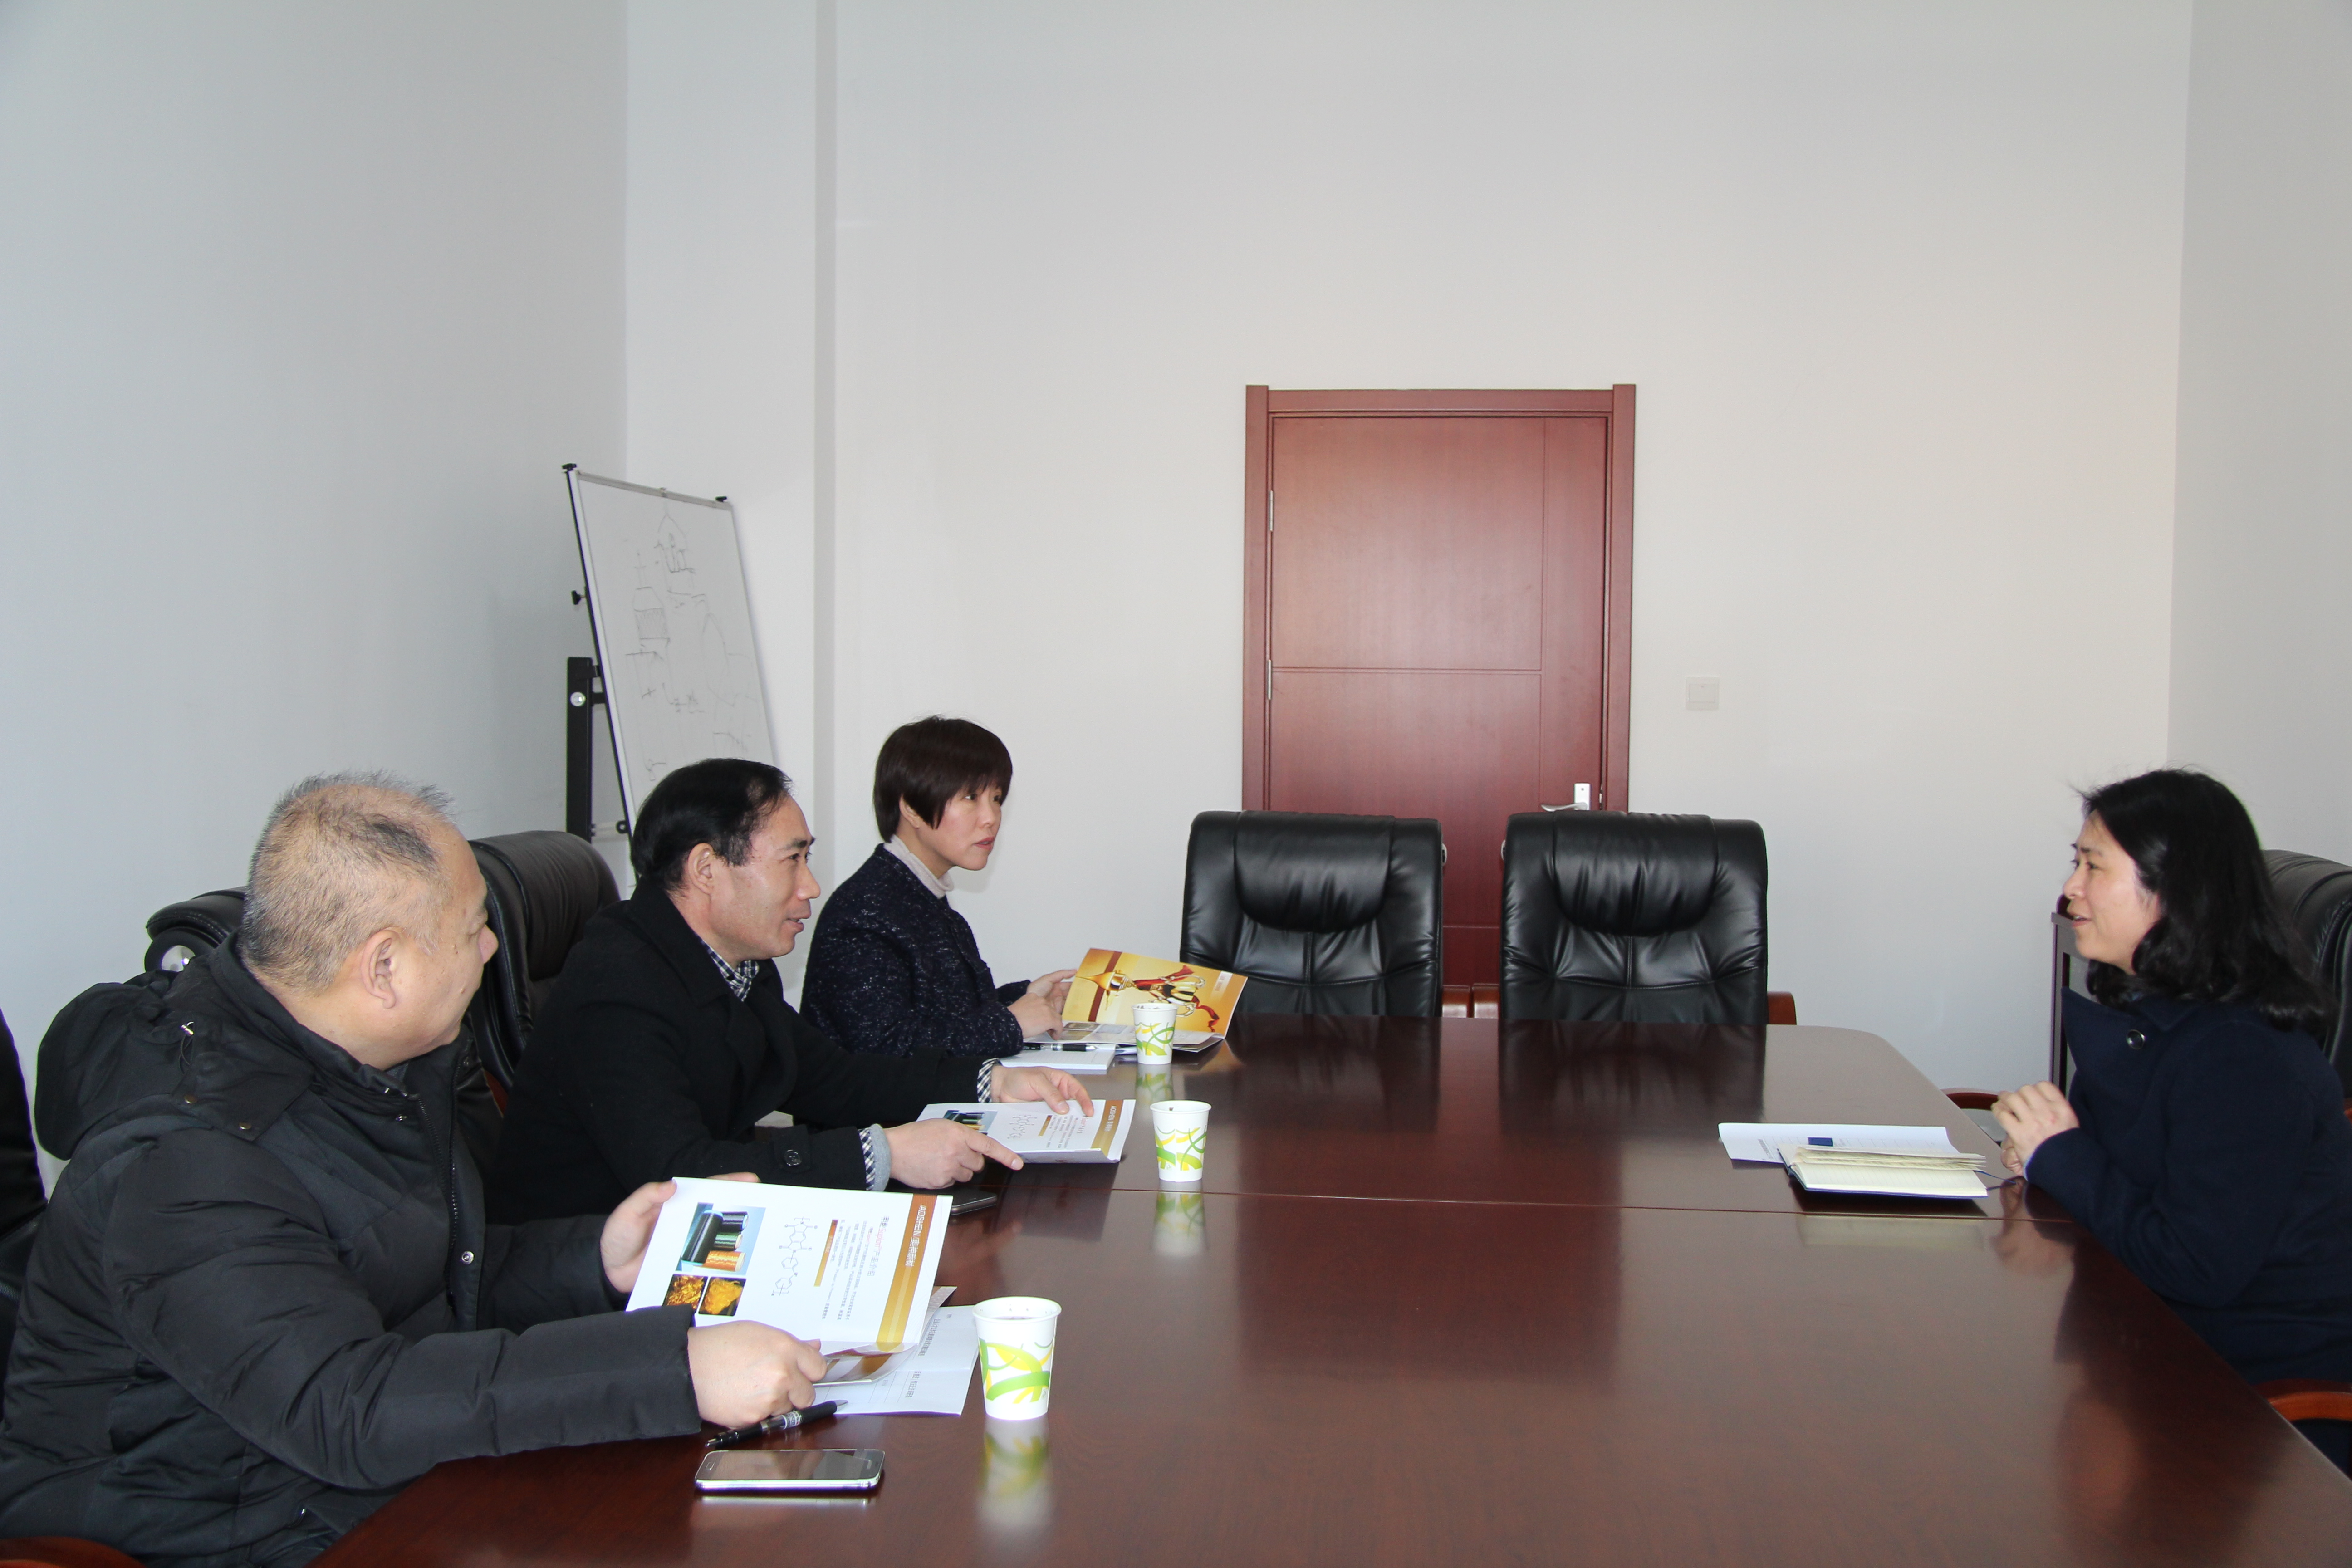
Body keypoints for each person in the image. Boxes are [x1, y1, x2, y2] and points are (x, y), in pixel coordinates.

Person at [0, 775, 827, 1568]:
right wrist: (673, 1369)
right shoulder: (188, 1161)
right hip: (207, 1525)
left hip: (358, 1483)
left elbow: (427, 1275)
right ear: (383, 967)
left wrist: (597, 1259)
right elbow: (346, 1406)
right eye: (473, 929)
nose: (493, 948)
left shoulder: (366, 1066)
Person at [487, 757, 1090, 1224]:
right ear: (706, 870)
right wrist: (882, 1153)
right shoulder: (618, 990)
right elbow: (683, 1173)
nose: (811, 886)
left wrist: (990, 1082)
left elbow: (835, 1078)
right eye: (792, 860)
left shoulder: (733, 964)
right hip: (594, 1288)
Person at [1994, 769, 2352, 1461]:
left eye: (2093, 866)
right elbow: (2126, 1172)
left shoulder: (2245, 1057)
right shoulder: (2159, 1015)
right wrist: (2045, 1153)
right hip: (2143, 1336)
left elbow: (2195, 1266)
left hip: (2252, 1404)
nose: (2071, 888)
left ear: (2175, 888)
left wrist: (2062, 1154)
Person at [802, 716, 1075, 1057]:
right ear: (912, 808)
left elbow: (946, 1016)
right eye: (971, 797)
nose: (991, 817)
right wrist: (1010, 1024)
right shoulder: (865, 911)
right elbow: (882, 1049)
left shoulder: (919, 892)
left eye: (996, 798)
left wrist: (1024, 998)